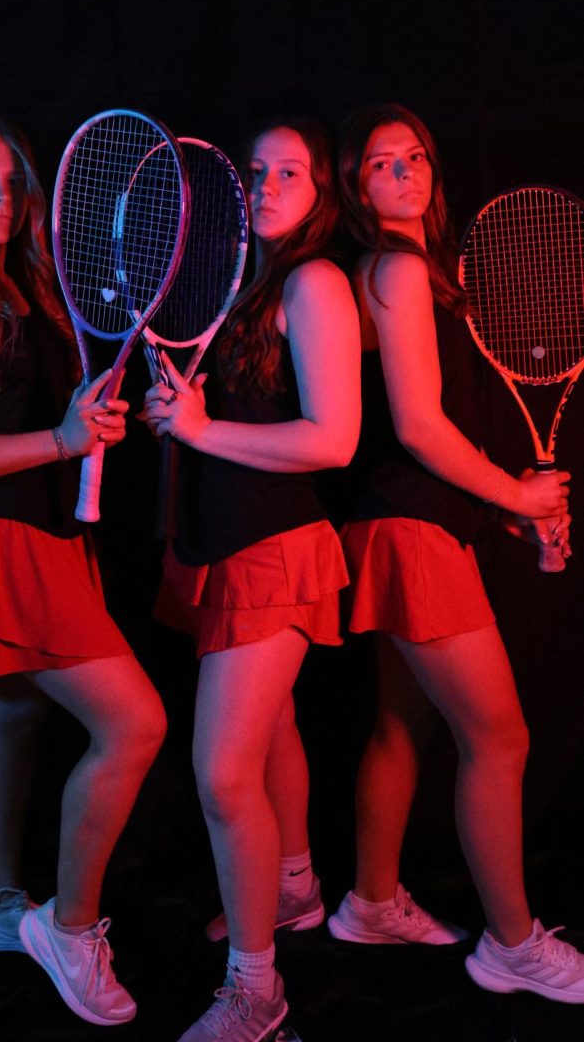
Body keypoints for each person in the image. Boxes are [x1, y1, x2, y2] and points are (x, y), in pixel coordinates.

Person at [0, 114, 166, 1027]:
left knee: (10, 714)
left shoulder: (23, 287)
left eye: (13, 181)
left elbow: (39, 418)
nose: (2, 198)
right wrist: (56, 439)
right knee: (135, 723)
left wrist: (81, 428)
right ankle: (71, 923)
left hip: (53, 534)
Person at [329, 103, 584, 1003]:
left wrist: (505, 514)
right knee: (498, 736)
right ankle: (510, 945)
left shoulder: (421, 273)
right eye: (379, 164)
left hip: (401, 523)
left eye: (415, 157)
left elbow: (431, 446)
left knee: (404, 723)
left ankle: (367, 901)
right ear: (354, 186)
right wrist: (512, 493)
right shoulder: (394, 268)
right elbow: (415, 427)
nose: (405, 174)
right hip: (406, 533)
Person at [143, 120, 360, 1041]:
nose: (267, 186)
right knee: (270, 736)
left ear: (321, 194)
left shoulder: (312, 281)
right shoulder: (236, 284)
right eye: (256, 171)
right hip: (219, 548)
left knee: (221, 772)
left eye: (290, 173)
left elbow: (331, 439)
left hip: (277, 550)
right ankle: (293, 892)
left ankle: (256, 994)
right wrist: (175, 414)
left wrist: (198, 431)